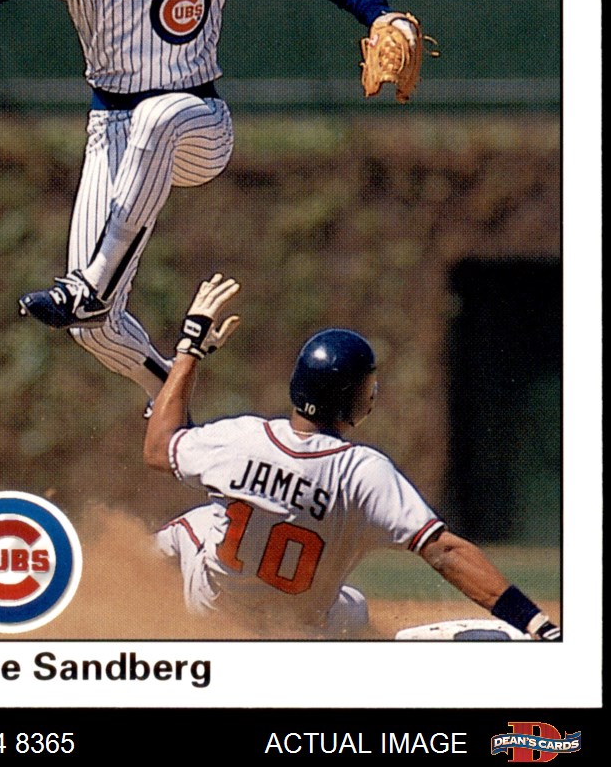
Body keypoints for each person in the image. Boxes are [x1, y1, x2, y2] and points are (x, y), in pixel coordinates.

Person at [0, 0, 414, 406]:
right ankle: (168, 395)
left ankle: (91, 286)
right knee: (93, 331)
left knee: (158, 117)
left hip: (199, 125)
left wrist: (379, 13)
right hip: (112, 129)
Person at [143, 273, 562, 640]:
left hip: (212, 611)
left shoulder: (239, 438)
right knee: (354, 607)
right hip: (300, 631)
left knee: (192, 525)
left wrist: (190, 348)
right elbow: (445, 552)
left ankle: (124, 597)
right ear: (361, 402)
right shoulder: (364, 474)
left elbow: (159, 448)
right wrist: (535, 621)